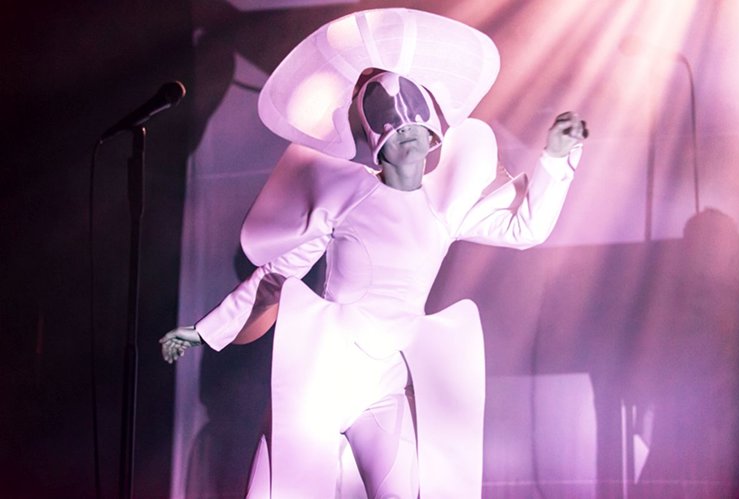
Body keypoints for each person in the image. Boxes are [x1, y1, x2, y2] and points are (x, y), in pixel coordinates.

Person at [160, 8, 588, 499]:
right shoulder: (345, 196)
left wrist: (556, 160)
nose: (405, 129)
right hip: (322, 375)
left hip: (386, 384)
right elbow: (275, 276)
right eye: (390, 121)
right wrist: (204, 331)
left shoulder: (444, 208)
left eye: (414, 120)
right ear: (373, 140)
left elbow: (525, 227)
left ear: (434, 133)